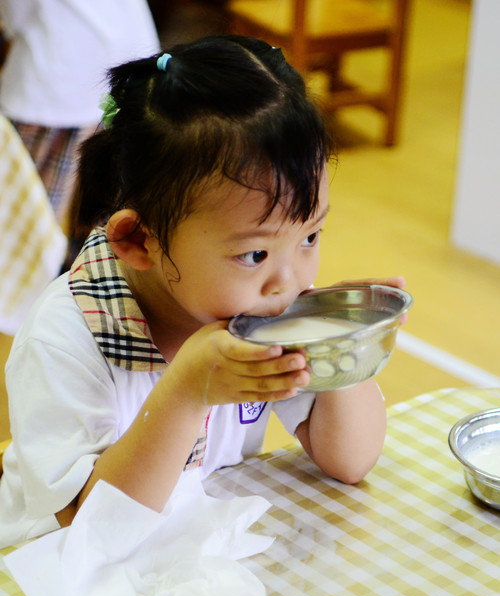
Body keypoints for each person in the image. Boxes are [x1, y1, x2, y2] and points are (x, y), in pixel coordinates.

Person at [0, 35, 405, 548]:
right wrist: (188, 390)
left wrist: (341, 342)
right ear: (139, 240)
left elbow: (351, 461)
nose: (291, 282)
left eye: (309, 236)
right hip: (42, 578)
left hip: (182, 554)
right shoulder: (64, 339)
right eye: (255, 253)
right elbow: (93, 533)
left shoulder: (257, 305)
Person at [0, 0, 160, 264]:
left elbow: (15, 16)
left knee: (26, 216)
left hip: (62, 66)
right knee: (95, 206)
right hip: (127, 61)